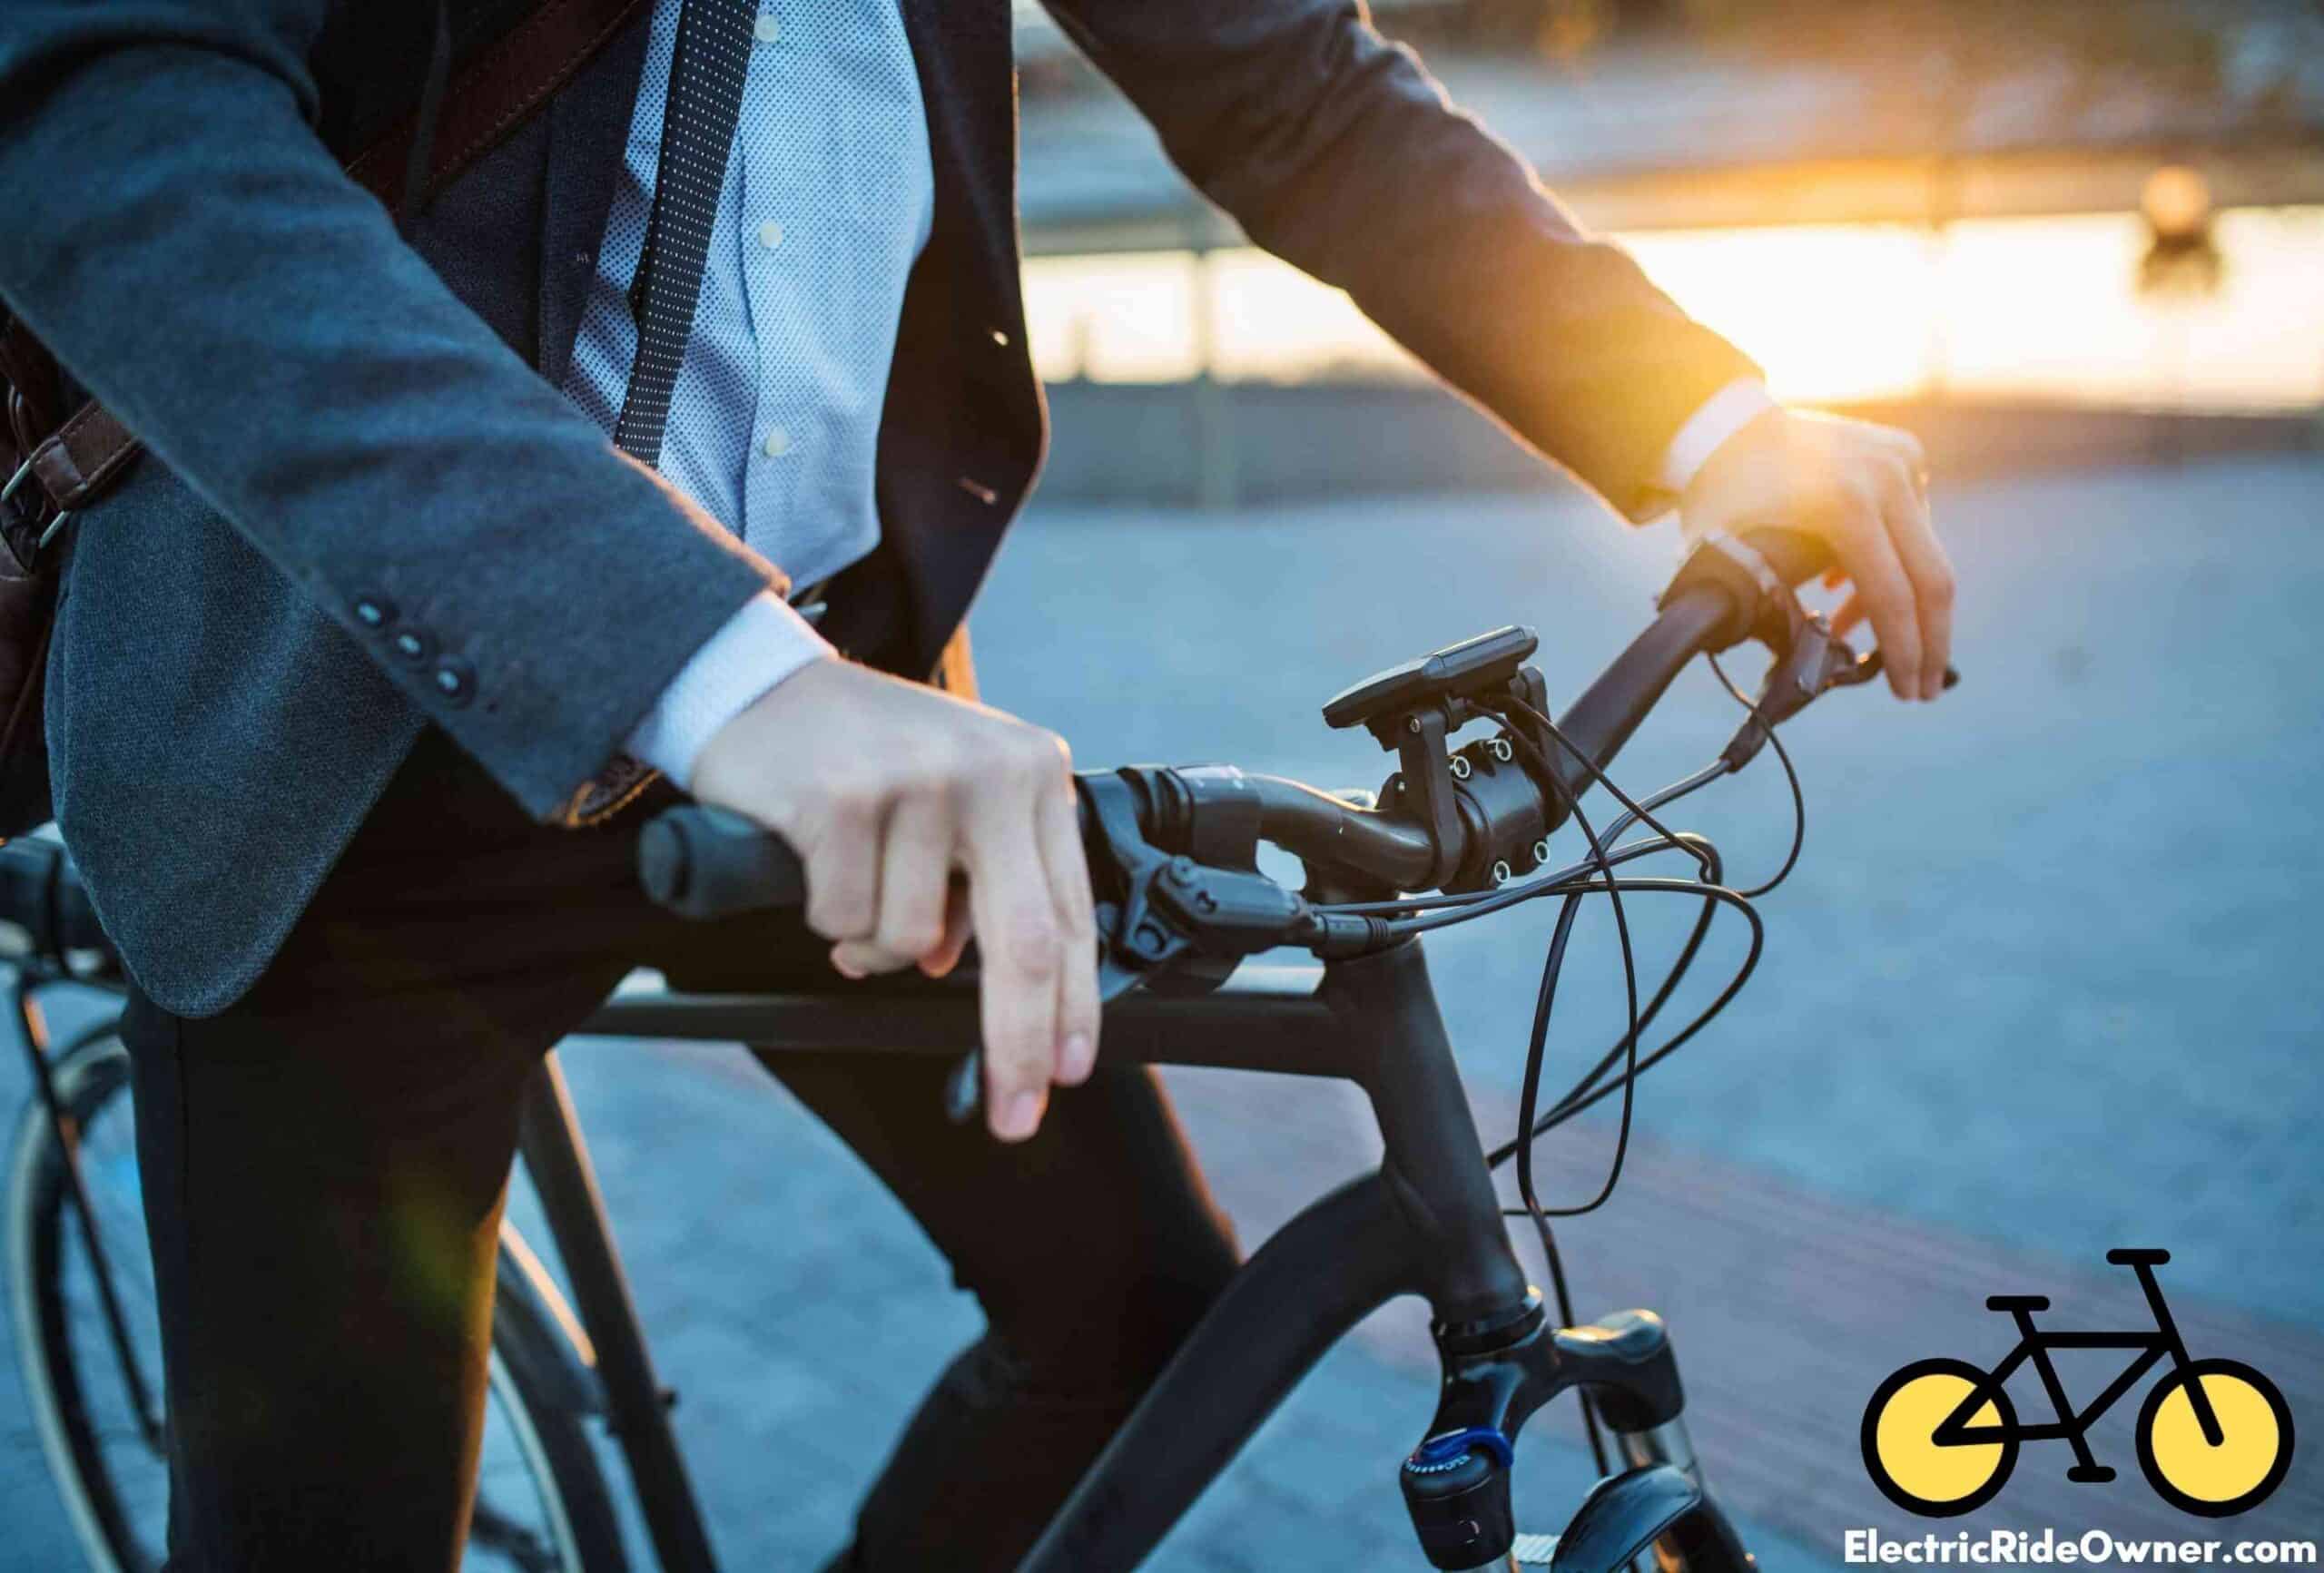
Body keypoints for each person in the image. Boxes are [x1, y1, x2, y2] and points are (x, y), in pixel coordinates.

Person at [0, 0, 1955, 1568]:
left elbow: (1294, 91)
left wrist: (1709, 415)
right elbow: (117, 126)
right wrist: (697, 664)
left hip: (841, 728)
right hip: (336, 739)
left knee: (1135, 1323)